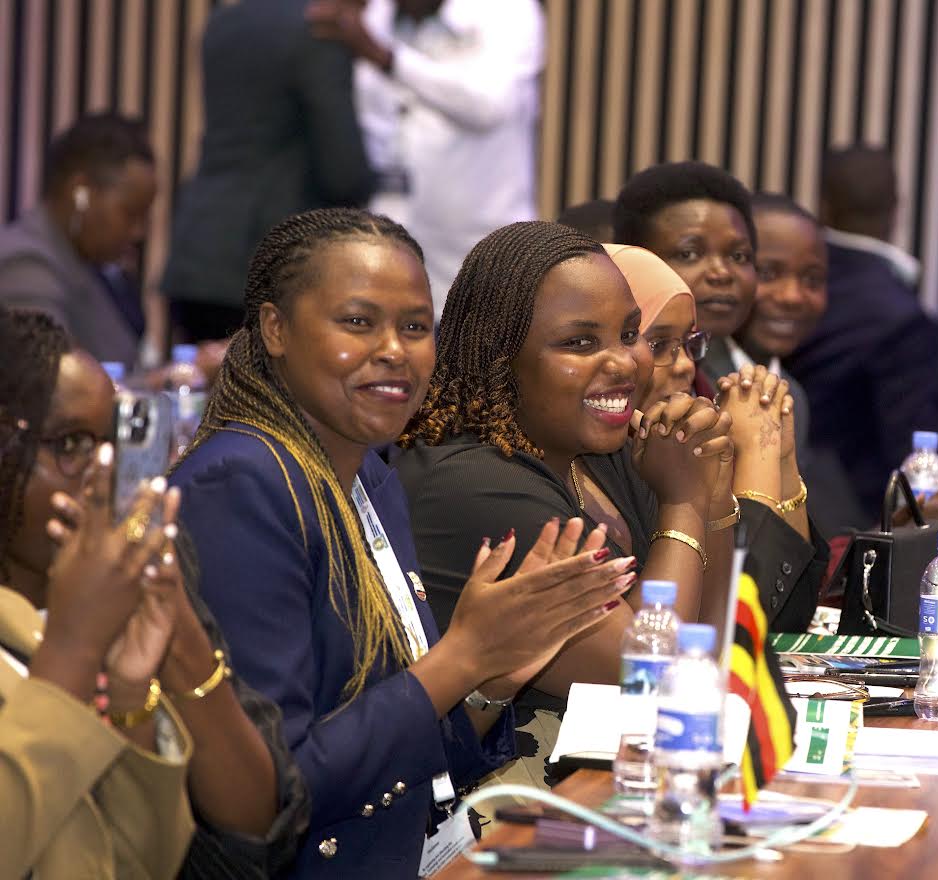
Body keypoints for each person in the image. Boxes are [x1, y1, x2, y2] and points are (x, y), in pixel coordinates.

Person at [171, 208, 625, 876]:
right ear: (275, 329)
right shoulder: (240, 483)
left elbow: (411, 762)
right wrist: (462, 656)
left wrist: (493, 677)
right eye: (359, 322)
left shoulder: (370, 479)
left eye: (414, 327)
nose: (394, 349)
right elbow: (273, 793)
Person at [394, 221, 736, 790]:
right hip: (499, 808)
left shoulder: (595, 454)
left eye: (630, 334)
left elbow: (706, 647)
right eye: (580, 343)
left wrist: (713, 490)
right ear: (502, 357)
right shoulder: (475, 484)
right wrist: (683, 500)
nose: (625, 363)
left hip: (609, 781)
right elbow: (649, 677)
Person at [0, 308, 309, 877]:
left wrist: (137, 688)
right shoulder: (63, 627)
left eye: (119, 442)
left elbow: (235, 837)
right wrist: (73, 646)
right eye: (71, 443)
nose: (105, 472)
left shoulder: (133, 578)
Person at [608, 242, 827, 630]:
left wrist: (782, 458)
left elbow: (791, 613)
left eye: (689, 344)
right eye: (659, 345)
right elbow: (737, 622)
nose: (686, 367)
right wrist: (756, 453)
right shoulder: (602, 465)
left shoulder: (679, 441)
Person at [308, 0, 544, 316]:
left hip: (481, 258)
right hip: (390, 248)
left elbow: (489, 104)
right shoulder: (376, 13)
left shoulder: (506, 10)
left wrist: (389, 59)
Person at [163, 0, 375, 344]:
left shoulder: (223, 23)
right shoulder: (320, 31)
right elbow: (344, 172)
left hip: (197, 249)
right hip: (272, 261)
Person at [761, 180, 938, 528]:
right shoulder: (705, 385)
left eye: (812, 279)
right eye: (768, 273)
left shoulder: (789, 392)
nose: (791, 296)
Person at [612, 161, 811, 448]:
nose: (721, 273)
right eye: (689, 253)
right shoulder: (611, 387)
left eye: (738, 256)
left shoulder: (771, 392)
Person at [0, 114, 155, 366]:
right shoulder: (24, 264)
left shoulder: (95, 266)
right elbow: (55, 376)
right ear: (80, 193)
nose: (139, 232)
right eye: (130, 213)